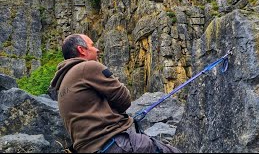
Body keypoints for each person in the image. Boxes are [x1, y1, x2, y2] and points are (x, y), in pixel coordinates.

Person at [50, 34, 181, 153]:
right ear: (81, 50)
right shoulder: (88, 67)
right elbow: (124, 99)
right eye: (92, 45)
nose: (97, 50)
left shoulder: (63, 83)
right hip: (115, 143)